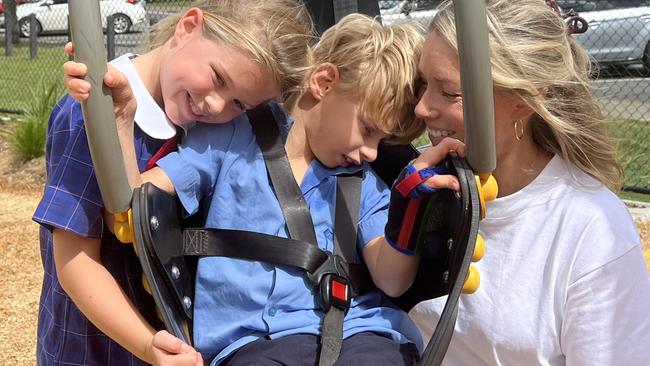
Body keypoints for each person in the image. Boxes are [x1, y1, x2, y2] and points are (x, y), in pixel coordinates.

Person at [66, 13, 460, 365]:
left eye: (382, 140)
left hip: (360, 334)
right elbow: (138, 205)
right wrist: (120, 122)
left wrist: (407, 209)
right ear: (324, 82)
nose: (369, 152)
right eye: (369, 129)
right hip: (253, 343)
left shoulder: (363, 184)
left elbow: (392, 280)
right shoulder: (228, 140)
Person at [33, 1, 313, 365]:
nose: (216, 105)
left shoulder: (205, 129)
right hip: (94, 348)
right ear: (188, 26)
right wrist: (149, 346)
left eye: (239, 104)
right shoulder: (89, 112)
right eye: (219, 78)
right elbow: (75, 263)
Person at [408, 0, 650, 364]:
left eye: (448, 92)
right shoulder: (419, 185)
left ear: (524, 99)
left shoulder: (590, 230)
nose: (421, 108)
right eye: (424, 84)